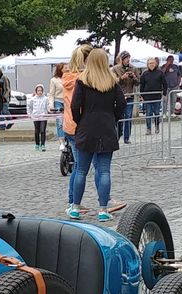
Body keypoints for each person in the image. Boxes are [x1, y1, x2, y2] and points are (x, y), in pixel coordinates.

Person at [67, 47, 126, 221]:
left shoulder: (82, 81)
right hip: (107, 128)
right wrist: (112, 118)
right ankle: (103, 210)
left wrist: (80, 121)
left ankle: (75, 208)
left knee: (81, 170)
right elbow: (122, 104)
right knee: (104, 171)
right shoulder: (112, 81)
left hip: (87, 127)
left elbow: (74, 106)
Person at [61, 46, 91, 147]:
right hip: (85, 126)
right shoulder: (86, 79)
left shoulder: (67, 77)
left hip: (69, 124)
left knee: (77, 155)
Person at [114, 51, 139, 145]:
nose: (128, 60)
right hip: (119, 97)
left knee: (128, 117)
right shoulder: (115, 69)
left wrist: (134, 77)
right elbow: (113, 82)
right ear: (121, 59)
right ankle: (118, 135)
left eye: (129, 58)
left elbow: (138, 83)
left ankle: (127, 137)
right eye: (125, 58)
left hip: (129, 96)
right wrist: (121, 78)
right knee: (119, 117)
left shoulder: (134, 68)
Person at [139, 56, 165, 134]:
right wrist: (142, 95)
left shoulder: (160, 72)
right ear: (147, 64)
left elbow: (165, 83)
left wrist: (164, 93)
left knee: (156, 113)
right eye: (150, 63)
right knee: (148, 113)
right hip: (147, 97)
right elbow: (142, 85)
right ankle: (148, 129)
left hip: (157, 96)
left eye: (153, 63)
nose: (151, 64)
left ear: (155, 63)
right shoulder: (144, 74)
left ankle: (157, 126)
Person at [28, 84, 51, 150]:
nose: (40, 92)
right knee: (36, 131)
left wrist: (49, 111)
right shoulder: (33, 99)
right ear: (36, 91)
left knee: (42, 130)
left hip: (44, 116)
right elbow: (29, 107)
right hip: (35, 117)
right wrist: (30, 114)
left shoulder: (46, 99)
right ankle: (37, 144)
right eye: (38, 90)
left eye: (41, 90)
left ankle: (43, 145)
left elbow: (48, 106)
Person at [162, 55, 181, 125]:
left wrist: (178, 83)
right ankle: (164, 113)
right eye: (170, 59)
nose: (171, 61)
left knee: (173, 100)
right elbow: (162, 73)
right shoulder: (163, 66)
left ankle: (172, 113)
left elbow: (179, 75)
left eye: (172, 59)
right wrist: (167, 65)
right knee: (165, 100)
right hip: (166, 86)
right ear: (167, 60)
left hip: (174, 86)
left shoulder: (176, 66)